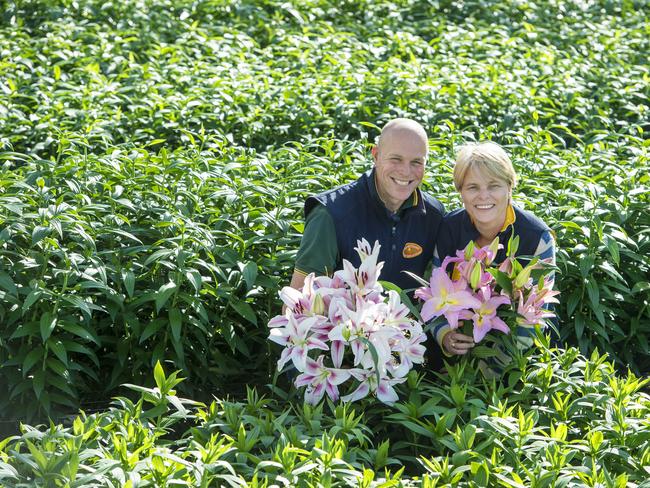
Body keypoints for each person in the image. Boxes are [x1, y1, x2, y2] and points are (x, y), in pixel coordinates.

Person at [288, 118, 447, 369]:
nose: (406, 171)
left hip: (407, 360)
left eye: (416, 162)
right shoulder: (331, 214)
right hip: (342, 361)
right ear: (375, 155)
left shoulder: (434, 215)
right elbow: (298, 305)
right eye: (395, 159)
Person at [431, 141, 555, 364]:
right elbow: (432, 296)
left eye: (494, 185)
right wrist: (444, 335)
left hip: (516, 366)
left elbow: (532, 318)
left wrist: (491, 376)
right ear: (461, 191)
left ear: (510, 187)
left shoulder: (537, 239)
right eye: (472, 187)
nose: (483, 196)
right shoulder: (448, 229)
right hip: (452, 367)